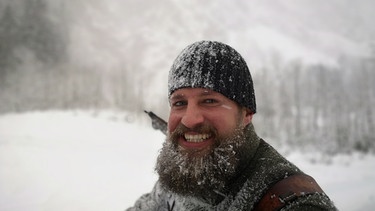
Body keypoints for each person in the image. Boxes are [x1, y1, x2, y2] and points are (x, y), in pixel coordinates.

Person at [127, 41, 337, 210]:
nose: (189, 119)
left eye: (209, 101)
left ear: (246, 113)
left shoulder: (289, 200)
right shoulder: (183, 171)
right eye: (180, 103)